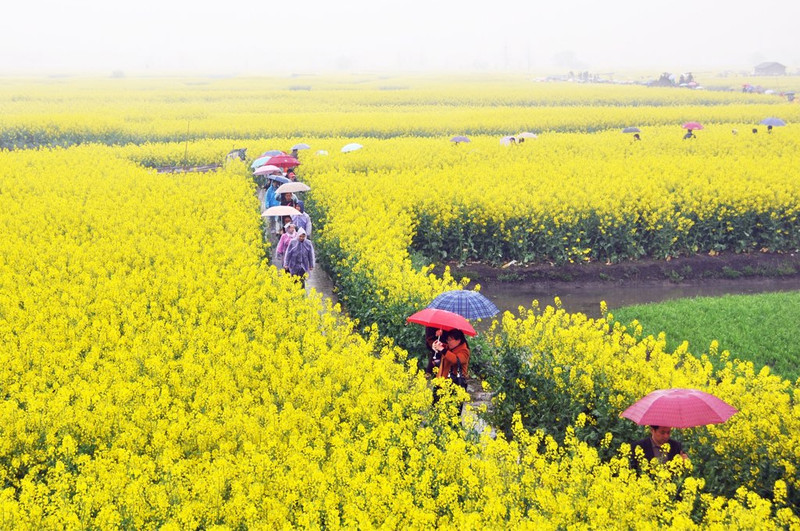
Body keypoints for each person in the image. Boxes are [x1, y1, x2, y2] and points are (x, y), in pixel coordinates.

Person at [431, 329, 471, 415]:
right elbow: (443, 348)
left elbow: (455, 360)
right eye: (447, 340)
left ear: (458, 340)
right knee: (436, 411)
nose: (448, 342)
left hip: (455, 385)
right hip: (441, 383)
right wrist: (436, 345)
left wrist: (442, 349)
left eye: (450, 340)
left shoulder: (464, 351)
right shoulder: (450, 347)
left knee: (452, 414)